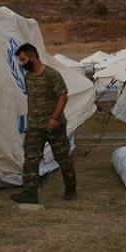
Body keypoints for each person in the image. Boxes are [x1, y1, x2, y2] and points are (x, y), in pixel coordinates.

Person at [10, 43, 77, 204]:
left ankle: (70, 189)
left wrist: (54, 118)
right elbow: (30, 98)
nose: (21, 63)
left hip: (54, 125)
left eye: (23, 60)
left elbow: (63, 96)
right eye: (20, 60)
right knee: (31, 158)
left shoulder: (51, 74)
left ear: (33, 57)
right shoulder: (28, 77)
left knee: (62, 157)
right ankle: (29, 192)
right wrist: (30, 118)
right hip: (35, 126)